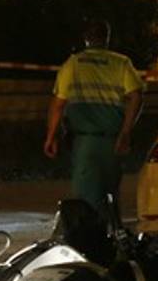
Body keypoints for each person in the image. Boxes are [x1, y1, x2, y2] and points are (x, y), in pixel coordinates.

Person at [43, 19, 144, 225]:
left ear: (86, 39)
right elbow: (136, 96)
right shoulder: (121, 63)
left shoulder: (73, 64)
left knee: (87, 200)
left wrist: (51, 136)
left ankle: (92, 244)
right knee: (110, 196)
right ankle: (114, 241)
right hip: (113, 142)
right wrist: (125, 133)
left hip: (85, 144)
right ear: (107, 38)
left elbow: (58, 104)